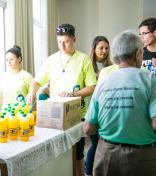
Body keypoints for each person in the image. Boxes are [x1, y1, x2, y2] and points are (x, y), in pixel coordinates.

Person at [27, 23, 97, 176]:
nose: (62, 46)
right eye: (59, 42)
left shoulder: (83, 59)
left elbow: (92, 86)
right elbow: (36, 81)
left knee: (77, 152)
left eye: (66, 42)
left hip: (76, 114)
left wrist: (73, 94)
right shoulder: (51, 60)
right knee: (58, 155)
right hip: (55, 114)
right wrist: (32, 92)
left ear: (74, 39)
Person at [83, 30, 156, 176]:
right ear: (137, 54)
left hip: (106, 156)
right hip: (141, 158)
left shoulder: (102, 83)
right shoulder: (151, 80)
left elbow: (87, 128)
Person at [85, 36, 112, 176]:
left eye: (106, 48)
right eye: (100, 48)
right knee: (95, 145)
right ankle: (88, 171)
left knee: (104, 145)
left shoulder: (111, 66)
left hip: (106, 110)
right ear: (94, 49)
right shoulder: (88, 66)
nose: (104, 51)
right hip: (91, 110)